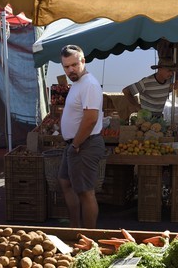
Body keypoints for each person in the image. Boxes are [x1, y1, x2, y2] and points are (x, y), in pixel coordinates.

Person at [58, 45, 105, 229]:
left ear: (83, 61)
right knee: (65, 182)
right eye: (66, 66)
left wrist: (76, 144)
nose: (70, 70)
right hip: (75, 144)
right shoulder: (78, 83)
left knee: (86, 192)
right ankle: (75, 228)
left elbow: (91, 119)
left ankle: (89, 237)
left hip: (84, 144)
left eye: (74, 64)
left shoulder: (89, 85)